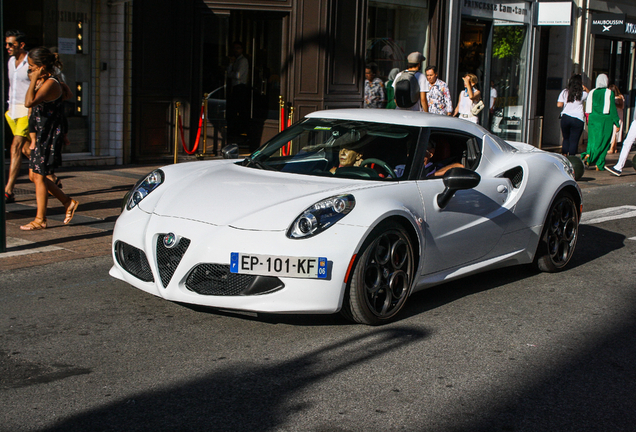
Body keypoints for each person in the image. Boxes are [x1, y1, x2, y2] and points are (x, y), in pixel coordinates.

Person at [20, 46, 78, 230]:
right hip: (42, 133)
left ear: (42, 66)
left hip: (48, 135)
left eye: (32, 67)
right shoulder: (48, 80)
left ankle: (40, 219)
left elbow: (29, 102)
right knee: (34, 175)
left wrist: (34, 80)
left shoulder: (51, 83)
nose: (30, 70)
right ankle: (67, 202)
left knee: (38, 176)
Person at [4, 30, 30, 204]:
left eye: (11, 44)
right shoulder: (11, 61)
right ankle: (52, 179)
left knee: (15, 147)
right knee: (26, 150)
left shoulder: (31, 62)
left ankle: (8, 190)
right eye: (6, 44)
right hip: (12, 111)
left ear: (21, 45)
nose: (7, 47)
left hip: (26, 111)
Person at [581, 74, 620, 171]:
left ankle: (588, 154)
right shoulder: (609, 92)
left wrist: (587, 119)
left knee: (592, 140)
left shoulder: (592, 92)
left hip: (593, 118)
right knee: (604, 142)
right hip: (605, 119)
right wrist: (617, 122)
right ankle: (599, 163)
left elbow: (588, 108)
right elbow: (612, 108)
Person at [557, 74, 588, 156]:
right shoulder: (583, 93)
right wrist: (585, 88)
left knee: (566, 138)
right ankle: (572, 159)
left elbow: (559, 105)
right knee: (574, 140)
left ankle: (564, 157)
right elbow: (590, 94)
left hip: (566, 117)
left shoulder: (564, 92)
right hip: (578, 119)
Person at [226, 41, 250, 135]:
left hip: (240, 88)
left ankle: (243, 131)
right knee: (235, 110)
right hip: (236, 87)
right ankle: (237, 131)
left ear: (242, 49)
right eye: (235, 48)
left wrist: (230, 74)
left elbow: (238, 75)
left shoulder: (243, 60)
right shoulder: (236, 60)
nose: (236, 50)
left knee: (240, 110)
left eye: (238, 48)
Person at [608, 84, 624, 154]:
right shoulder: (619, 97)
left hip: (617, 115)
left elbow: (621, 106)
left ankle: (612, 148)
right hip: (617, 115)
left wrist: (613, 103)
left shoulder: (619, 97)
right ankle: (614, 147)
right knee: (615, 132)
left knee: (615, 132)